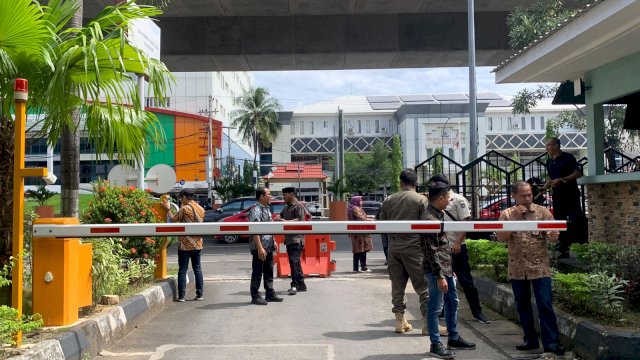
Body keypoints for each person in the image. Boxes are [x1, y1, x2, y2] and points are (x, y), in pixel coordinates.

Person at [497, 181, 565, 356]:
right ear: (514, 196)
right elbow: (501, 238)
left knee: (545, 304)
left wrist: (553, 235)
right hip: (517, 268)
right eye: (523, 195)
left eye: (529, 194)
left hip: (539, 267)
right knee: (523, 305)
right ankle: (530, 339)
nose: (528, 198)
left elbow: (553, 238)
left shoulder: (542, 212)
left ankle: (551, 343)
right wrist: (514, 219)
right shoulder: (507, 214)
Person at [380, 168, 445, 337]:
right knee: (424, 287)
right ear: (416, 183)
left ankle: (399, 321)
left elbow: (382, 224)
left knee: (397, 286)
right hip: (415, 249)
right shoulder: (421, 200)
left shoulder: (389, 200)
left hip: (394, 248)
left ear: (401, 182)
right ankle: (428, 324)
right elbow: (428, 224)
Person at [423, 182, 476, 359]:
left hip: (446, 267)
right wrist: (439, 276)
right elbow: (431, 250)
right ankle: (435, 343)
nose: (449, 200)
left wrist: (449, 270)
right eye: (447, 197)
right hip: (436, 270)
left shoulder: (439, 214)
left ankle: (453, 337)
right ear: (440, 198)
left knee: (453, 301)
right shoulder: (429, 219)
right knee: (436, 307)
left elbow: (442, 247)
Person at [429, 174, 489, 325]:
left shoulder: (458, 200)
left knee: (466, 281)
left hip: (457, 247)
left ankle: (477, 312)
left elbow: (466, 222)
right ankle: (442, 311)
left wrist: (457, 242)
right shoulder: (435, 201)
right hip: (442, 249)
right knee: (443, 280)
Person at [544, 137, 587, 258]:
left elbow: (577, 173)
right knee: (559, 221)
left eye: (549, 145)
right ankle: (563, 250)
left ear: (557, 146)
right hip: (558, 196)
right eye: (546, 145)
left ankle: (583, 245)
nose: (547, 147)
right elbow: (550, 177)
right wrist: (544, 187)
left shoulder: (568, 158)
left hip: (571, 194)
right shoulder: (549, 161)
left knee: (577, 219)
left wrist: (563, 180)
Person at [162, 188, 205, 302]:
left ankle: (181, 296)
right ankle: (200, 295)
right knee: (197, 269)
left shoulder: (185, 209)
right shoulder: (200, 208)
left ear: (185, 197)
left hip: (185, 245)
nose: (180, 200)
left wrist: (167, 209)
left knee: (182, 270)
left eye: (180, 198)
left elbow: (173, 219)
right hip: (198, 244)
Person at [248, 187, 284, 305]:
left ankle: (270, 293)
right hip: (260, 247)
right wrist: (259, 248)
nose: (271, 196)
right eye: (269, 194)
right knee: (257, 272)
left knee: (269, 271)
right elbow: (255, 230)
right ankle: (255, 296)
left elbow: (269, 226)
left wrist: (273, 240)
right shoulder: (255, 210)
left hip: (268, 245)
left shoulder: (266, 208)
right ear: (262, 196)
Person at [276, 187, 307, 295]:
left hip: (297, 238)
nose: (283, 197)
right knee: (295, 262)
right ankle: (302, 284)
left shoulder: (298, 206)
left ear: (291, 194)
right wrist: (278, 217)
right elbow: (281, 214)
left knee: (294, 262)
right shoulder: (286, 207)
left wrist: (286, 221)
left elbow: (300, 220)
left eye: (285, 195)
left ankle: (295, 285)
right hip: (289, 239)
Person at [347, 196, 374, 272]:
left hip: (359, 232)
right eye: (360, 200)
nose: (362, 202)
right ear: (356, 201)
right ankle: (360, 267)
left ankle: (360, 267)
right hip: (359, 233)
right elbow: (361, 218)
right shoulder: (355, 208)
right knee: (360, 250)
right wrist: (369, 220)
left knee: (361, 250)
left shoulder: (355, 208)